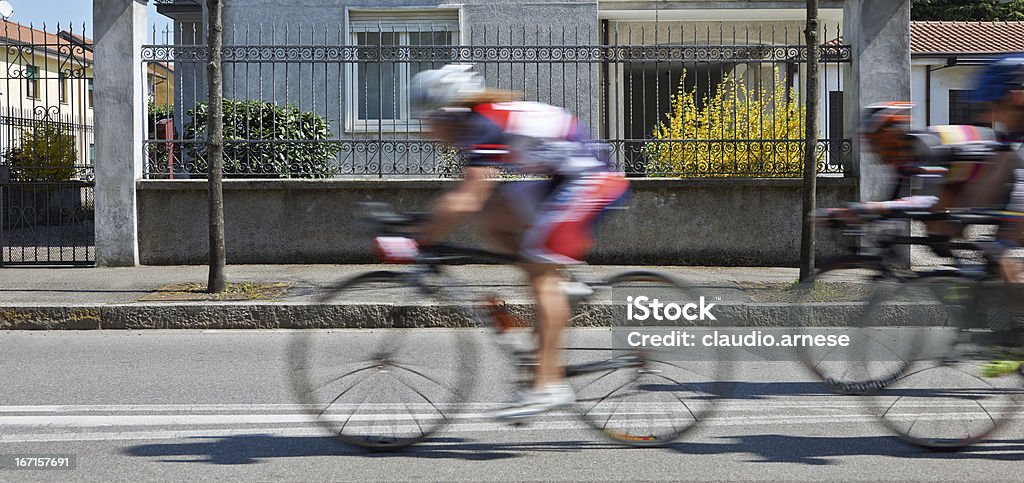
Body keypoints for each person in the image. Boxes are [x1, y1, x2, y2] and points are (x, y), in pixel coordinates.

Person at [375, 64, 630, 419]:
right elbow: (475, 201)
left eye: (426, 120)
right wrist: (425, 228)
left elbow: (466, 198)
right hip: (562, 177)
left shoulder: (484, 123)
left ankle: (547, 386)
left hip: (592, 181)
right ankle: (561, 285)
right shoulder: (476, 125)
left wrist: (416, 241)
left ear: (446, 113)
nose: (424, 131)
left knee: (539, 267)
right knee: (495, 215)